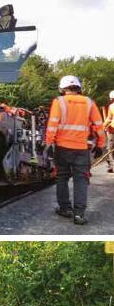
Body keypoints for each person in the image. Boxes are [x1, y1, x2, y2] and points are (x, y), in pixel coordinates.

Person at [46, 75, 104, 224]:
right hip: (81, 148)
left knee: (62, 177)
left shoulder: (58, 102)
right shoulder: (89, 102)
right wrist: (100, 145)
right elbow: (99, 125)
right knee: (81, 180)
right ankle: (79, 214)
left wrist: (49, 143)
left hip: (62, 148)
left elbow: (52, 124)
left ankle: (65, 209)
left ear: (62, 88)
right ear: (78, 87)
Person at [104, 91, 114, 174]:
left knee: (110, 148)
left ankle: (112, 166)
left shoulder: (112, 106)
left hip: (112, 130)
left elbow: (109, 119)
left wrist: (103, 126)